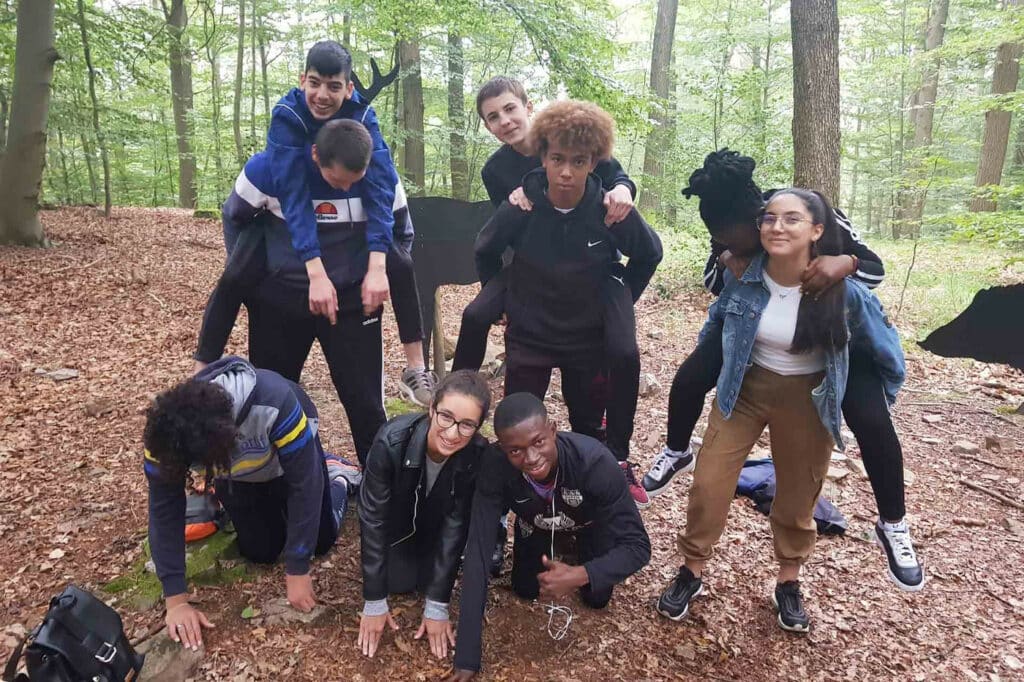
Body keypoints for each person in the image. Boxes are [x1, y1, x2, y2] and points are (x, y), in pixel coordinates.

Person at [642, 150, 924, 592]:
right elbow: (716, 282)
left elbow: (874, 271)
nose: (776, 228)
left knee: (870, 421)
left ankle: (893, 524)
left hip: (835, 346)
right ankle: (677, 455)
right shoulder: (736, 239)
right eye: (721, 238)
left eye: (734, 239)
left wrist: (844, 263)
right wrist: (726, 257)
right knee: (693, 376)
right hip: (755, 344)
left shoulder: (812, 217)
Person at [472, 99, 663, 505]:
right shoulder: (522, 204)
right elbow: (485, 249)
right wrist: (504, 303)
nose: (565, 172)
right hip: (531, 334)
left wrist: (618, 300)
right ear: (542, 157)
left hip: (586, 340)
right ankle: (506, 497)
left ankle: (607, 476)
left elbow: (650, 253)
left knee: (589, 425)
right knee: (518, 423)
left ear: (593, 163)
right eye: (557, 159)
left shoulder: (610, 210)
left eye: (578, 162)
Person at [193, 119, 396, 465]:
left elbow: (400, 229)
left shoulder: (379, 169)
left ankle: (380, 483)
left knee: (364, 403)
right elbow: (235, 217)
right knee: (271, 400)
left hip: (351, 305)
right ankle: (274, 478)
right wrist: (258, 275)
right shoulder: (267, 170)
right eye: (338, 181)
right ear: (316, 156)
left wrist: (374, 273)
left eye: (355, 182)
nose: (347, 189)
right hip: (278, 304)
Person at [260, 39, 435, 405]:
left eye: (334, 86)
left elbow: (381, 187)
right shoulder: (287, 119)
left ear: (349, 88)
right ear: (302, 80)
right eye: (315, 83)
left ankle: (416, 367)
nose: (322, 95)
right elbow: (292, 195)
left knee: (400, 263)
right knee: (241, 276)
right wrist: (315, 272)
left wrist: (377, 266)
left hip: (353, 225)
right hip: (300, 229)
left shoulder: (363, 116)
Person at [144, 356, 360, 650]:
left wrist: (297, 568)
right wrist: (176, 601)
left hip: (289, 463)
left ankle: (338, 476)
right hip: (239, 475)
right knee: (261, 551)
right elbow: (164, 510)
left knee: (320, 542)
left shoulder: (275, 402)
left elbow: (305, 485)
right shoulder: (165, 436)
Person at [447, 393, 651, 680]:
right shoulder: (495, 465)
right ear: (502, 448)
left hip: (590, 525)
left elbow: (638, 546)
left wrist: (581, 574)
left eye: (538, 442)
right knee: (525, 588)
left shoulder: (594, 463)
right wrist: (467, 657)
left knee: (596, 597)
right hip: (537, 523)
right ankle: (554, 546)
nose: (531, 458)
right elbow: (479, 548)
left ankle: (576, 550)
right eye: (515, 451)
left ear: (553, 430)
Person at [357, 370, 491, 660]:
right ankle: (339, 480)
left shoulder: (476, 456)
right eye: (446, 417)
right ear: (431, 409)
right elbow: (373, 519)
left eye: (467, 425)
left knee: (426, 581)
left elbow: (457, 524)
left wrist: (438, 604)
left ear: (478, 427)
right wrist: (374, 599)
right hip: (399, 528)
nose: (452, 433)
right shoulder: (391, 441)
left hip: (436, 530)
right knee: (398, 583)